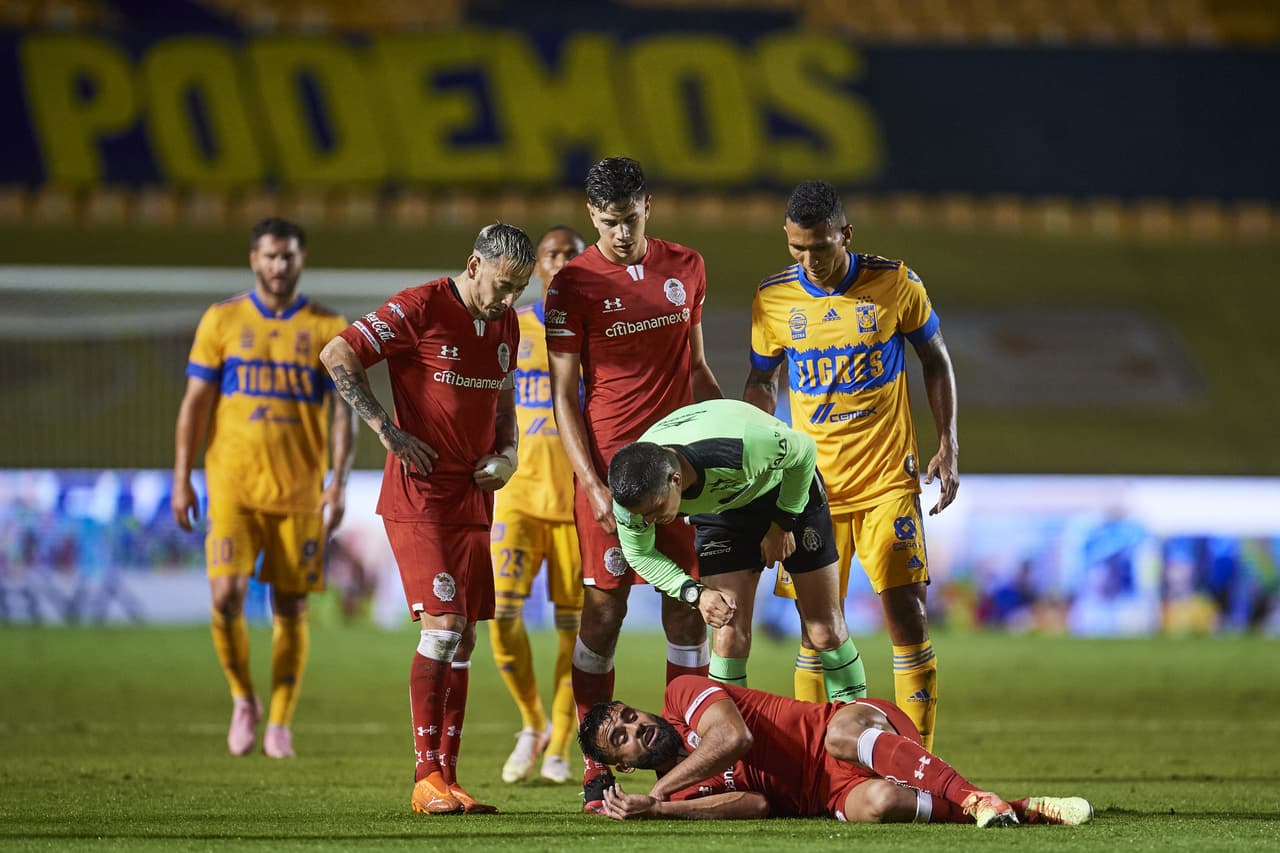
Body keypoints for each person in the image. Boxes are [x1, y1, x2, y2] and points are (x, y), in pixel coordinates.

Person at [319, 223, 535, 815]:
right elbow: (336, 353)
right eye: (502, 285)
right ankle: (424, 777)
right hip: (420, 498)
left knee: (463, 636)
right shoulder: (421, 306)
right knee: (441, 628)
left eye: (519, 289)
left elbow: (504, 396)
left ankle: (450, 779)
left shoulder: (506, 323)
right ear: (473, 263)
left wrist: (509, 454)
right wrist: (386, 430)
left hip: (473, 496)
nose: (509, 300)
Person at [744, 180, 958, 751]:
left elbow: (935, 359)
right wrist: (756, 454)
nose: (808, 261)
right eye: (796, 248)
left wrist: (949, 442)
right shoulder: (773, 299)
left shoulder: (894, 283)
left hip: (888, 477)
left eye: (819, 246)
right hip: (810, 488)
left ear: (846, 234)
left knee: (907, 616)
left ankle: (919, 760)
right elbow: (761, 380)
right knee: (818, 634)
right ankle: (820, 762)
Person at [544, 156, 723, 810]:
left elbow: (699, 368)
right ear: (592, 216)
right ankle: (597, 769)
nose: (619, 233)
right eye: (607, 222)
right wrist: (591, 484)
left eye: (629, 219)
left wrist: (730, 446)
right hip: (611, 480)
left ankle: (689, 756)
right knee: (603, 612)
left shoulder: (687, 266)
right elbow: (565, 396)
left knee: (688, 606)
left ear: (648, 205)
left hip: (678, 478)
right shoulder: (572, 287)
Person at [172, 217, 356, 759]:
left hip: (299, 492)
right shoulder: (222, 320)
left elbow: (343, 416)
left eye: (290, 256)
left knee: (291, 606)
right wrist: (182, 476)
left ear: (302, 261)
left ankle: (279, 721)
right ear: (254, 258)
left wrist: (338, 482)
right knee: (225, 595)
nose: (280, 265)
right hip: (232, 485)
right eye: (271, 255)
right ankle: (243, 699)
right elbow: (195, 405)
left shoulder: (327, 327)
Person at [578, 675, 1094, 827]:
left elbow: (734, 738)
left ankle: (974, 798)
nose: (635, 727)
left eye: (629, 715)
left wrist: (661, 791)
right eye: (620, 737)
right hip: (832, 794)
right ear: (621, 764)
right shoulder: (677, 794)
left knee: (840, 734)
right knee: (880, 807)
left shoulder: (682, 695)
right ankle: (1017, 809)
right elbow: (757, 806)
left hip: (859, 729)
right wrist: (665, 808)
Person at [608, 399, 866, 701]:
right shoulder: (632, 498)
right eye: (642, 516)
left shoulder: (739, 447)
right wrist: (694, 593)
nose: (648, 521)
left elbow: (804, 449)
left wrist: (782, 523)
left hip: (783, 490)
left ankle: (858, 730)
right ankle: (736, 743)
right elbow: (640, 553)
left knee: (824, 631)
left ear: (675, 480)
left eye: (655, 510)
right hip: (721, 512)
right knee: (728, 638)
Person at [488, 226, 587, 785]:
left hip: (575, 502)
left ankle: (559, 745)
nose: (560, 260)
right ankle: (532, 723)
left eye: (571, 252)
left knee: (575, 633)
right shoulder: (510, 325)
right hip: (518, 497)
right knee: (502, 617)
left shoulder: (599, 329)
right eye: (551, 253)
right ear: (538, 265)